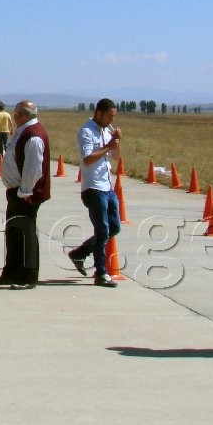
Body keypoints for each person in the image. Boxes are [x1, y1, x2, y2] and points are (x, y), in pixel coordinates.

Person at [0, 101, 51, 289]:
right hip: (16, 191)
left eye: (15, 114)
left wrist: (25, 192)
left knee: (26, 235)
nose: (13, 117)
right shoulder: (24, 131)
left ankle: (28, 276)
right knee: (14, 233)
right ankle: (11, 272)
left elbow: (33, 168)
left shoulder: (33, 136)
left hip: (25, 193)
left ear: (22, 115)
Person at [68, 98, 122, 287]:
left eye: (113, 117)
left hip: (107, 187)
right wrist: (108, 146)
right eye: (109, 116)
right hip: (93, 188)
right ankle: (101, 272)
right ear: (98, 113)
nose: (111, 120)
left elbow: (116, 156)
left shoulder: (107, 130)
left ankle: (80, 253)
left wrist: (116, 142)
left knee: (114, 227)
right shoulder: (86, 131)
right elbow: (88, 158)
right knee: (102, 230)